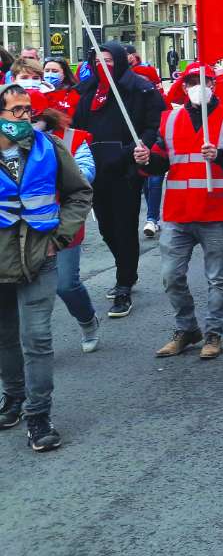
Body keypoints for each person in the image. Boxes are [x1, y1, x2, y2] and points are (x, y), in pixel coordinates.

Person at [134, 63, 223, 361]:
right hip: (178, 211)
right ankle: (187, 328)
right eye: (190, 82)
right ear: (183, 86)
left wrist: (221, 155)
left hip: (217, 209)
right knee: (171, 275)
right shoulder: (169, 119)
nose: (197, 86)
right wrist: (147, 159)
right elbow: (162, 160)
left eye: (204, 81)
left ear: (214, 84)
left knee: (216, 277)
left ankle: (213, 333)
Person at [0, 83, 94, 452]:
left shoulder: (50, 148)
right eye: (17, 110)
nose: (26, 116)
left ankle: (39, 415)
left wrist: (59, 238)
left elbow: (80, 192)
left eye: (28, 109)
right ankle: (14, 398)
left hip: (40, 258)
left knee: (36, 340)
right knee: (5, 338)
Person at [72, 41, 163, 319]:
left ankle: (124, 283)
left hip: (125, 168)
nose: (104, 65)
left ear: (122, 61)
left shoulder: (139, 88)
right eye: (99, 60)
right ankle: (127, 268)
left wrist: (142, 147)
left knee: (124, 227)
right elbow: (76, 127)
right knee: (107, 229)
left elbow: (154, 125)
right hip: (95, 169)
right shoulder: (87, 91)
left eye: (110, 60)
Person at [36, 107, 100, 354]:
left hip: (63, 221)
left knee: (65, 284)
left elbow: (86, 173)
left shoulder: (72, 138)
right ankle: (35, 344)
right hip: (21, 227)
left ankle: (88, 321)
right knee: (27, 290)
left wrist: (45, 174)